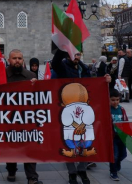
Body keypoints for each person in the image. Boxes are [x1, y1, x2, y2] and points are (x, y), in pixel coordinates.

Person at [51, 49, 111, 184]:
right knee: (68, 143)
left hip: (84, 110)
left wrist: (106, 81)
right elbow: (55, 63)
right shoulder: (63, 67)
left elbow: (93, 86)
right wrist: (62, 48)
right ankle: (72, 173)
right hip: (67, 110)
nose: (76, 57)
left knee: (85, 142)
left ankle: (82, 170)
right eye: (74, 54)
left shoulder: (84, 69)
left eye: (78, 54)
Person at [0, 49, 42, 184]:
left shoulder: (30, 75)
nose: (17, 61)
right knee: (11, 147)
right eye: (14, 58)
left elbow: (40, 97)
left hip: (26, 118)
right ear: (9, 60)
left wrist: (37, 86)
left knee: (29, 147)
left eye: (19, 58)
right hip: (8, 118)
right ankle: (11, 169)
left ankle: (32, 177)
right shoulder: (1, 75)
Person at [109, 89, 128, 181]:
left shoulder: (122, 109)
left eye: (117, 99)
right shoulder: (107, 110)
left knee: (123, 154)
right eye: (113, 100)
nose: (115, 102)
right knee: (114, 155)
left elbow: (126, 121)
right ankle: (113, 172)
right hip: (113, 136)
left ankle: (117, 163)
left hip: (122, 136)